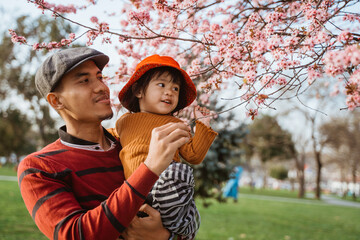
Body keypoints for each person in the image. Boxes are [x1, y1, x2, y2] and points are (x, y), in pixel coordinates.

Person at [17, 47, 191, 240]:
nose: (102, 87)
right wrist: (149, 168)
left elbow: (180, 215)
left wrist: (166, 236)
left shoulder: (130, 145)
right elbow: (75, 235)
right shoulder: (40, 167)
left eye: (100, 77)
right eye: (84, 81)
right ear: (56, 101)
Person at [115, 54, 218, 239]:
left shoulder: (175, 125)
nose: (170, 92)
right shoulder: (124, 122)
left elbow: (193, 155)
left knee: (180, 172)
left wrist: (203, 126)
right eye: (161, 85)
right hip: (135, 190)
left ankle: (182, 224)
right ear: (139, 91)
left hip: (164, 188)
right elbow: (110, 140)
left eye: (175, 88)